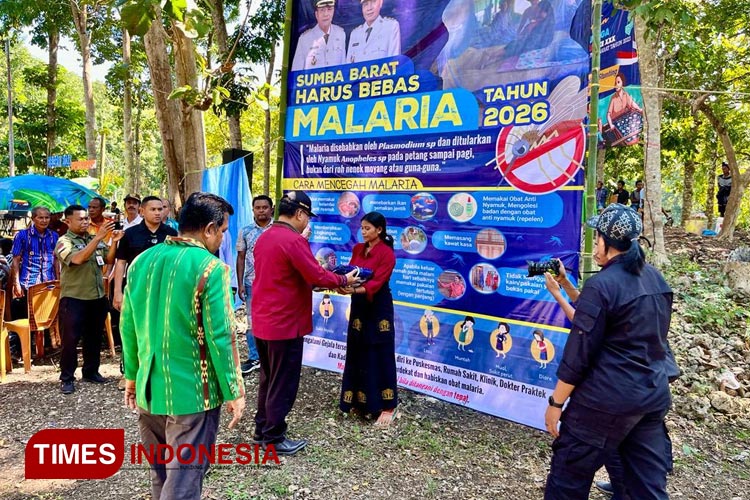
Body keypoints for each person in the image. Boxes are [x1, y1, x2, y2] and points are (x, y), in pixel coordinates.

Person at [543, 203, 676, 500]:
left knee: (568, 480)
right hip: (650, 398)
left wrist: (556, 403)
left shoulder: (602, 284)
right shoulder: (655, 278)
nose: (594, 245)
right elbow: (605, 319)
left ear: (606, 241)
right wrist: (565, 285)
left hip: (603, 402)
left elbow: (579, 353)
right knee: (646, 488)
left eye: (597, 236)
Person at [121, 192, 245, 500]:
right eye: (223, 231)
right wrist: (234, 391)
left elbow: (129, 325)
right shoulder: (211, 268)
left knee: (161, 474)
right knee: (184, 481)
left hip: (150, 391)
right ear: (208, 230)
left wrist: (133, 376)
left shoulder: (141, 262)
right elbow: (220, 336)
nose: (222, 239)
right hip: (192, 394)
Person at [251, 191, 358, 455]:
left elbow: (294, 276)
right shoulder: (293, 240)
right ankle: (274, 437)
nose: (307, 223)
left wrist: (328, 280)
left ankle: (262, 428)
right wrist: (344, 281)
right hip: (285, 324)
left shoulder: (265, 237)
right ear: (299, 214)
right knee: (283, 381)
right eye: (306, 217)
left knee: (268, 377)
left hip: (263, 322)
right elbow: (315, 273)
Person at [338, 212, 398, 427]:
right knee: (357, 349)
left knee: (379, 351)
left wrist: (357, 289)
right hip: (359, 305)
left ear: (379, 230)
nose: (363, 232)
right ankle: (357, 400)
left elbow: (378, 282)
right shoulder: (357, 249)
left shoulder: (387, 254)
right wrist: (344, 285)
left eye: (367, 228)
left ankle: (388, 405)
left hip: (378, 306)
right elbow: (351, 273)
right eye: (361, 228)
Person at [55, 205, 123, 394]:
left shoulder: (93, 239)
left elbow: (108, 260)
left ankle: (91, 371)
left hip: (96, 296)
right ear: (68, 221)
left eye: (86, 218)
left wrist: (114, 242)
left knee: (93, 337)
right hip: (74, 298)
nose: (85, 222)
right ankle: (67, 377)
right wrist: (99, 238)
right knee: (70, 340)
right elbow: (77, 259)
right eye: (81, 219)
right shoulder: (64, 241)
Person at [112, 196, 178, 389]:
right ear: (142, 211)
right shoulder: (130, 234)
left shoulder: (171, 233)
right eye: (153, 209)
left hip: (163, 290)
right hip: (135, 291)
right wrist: (118, 292)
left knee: (161, 328)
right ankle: (128, 373)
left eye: (160, 209)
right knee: (132, 329)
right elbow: (121, 263)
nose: (158, 213)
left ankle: (159, 370)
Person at [236, 195, 274, 375]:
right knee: (252, 320)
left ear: (271, 209)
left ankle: (271, 355)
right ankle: (254, 357)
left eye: (264, 207)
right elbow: (240, 257)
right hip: (251, 283)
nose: (261, 210)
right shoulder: (245, 231)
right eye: (257, 207)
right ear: (253, 210)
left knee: (274, 318)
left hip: (274, 284)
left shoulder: (277, 230)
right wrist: (240, 282)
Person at [10, 206, 59, 320]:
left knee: (46, 320)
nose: (44, 220)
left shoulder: (54, 236)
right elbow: (16, 260)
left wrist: (58, 279)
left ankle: (43, 338)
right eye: (40, 217)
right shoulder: (22, 235)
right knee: (25, 319)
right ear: (33, 218)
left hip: (49, 283)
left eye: (47, 217)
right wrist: (16, 284)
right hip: (28, 283)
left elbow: (56, 260)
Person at [292, 0, 346, 71]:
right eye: (322, 10)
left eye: (329, 9)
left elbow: (344, 67)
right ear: (316, 14)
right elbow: (296, 72)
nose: (326, 14)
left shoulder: (340, 33)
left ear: (333, 11)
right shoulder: (304, 39)